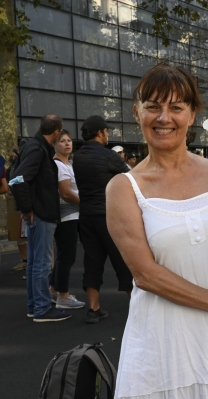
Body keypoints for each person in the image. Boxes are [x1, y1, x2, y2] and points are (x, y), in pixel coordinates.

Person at [106, 64, 208, 399]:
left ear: (192, 114)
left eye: (176, 107)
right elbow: (145, 274)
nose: (163, 117)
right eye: (153, 106)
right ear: (136, 113)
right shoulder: (123, 188)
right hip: (165, 348)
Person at [73, 114, 132, 324]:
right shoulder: (108, 156)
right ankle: (136, 306)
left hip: (86, 215)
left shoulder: (77, 157)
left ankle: (93, 308)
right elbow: (131, 177)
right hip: (109, 215)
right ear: (100, 133)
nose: (108, 135)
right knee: (122, 259)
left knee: (92, 260)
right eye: (107, 131)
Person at [11, 115, 70, 322]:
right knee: (42, 264)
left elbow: (16, 176)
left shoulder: (33, 147)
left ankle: (35, 306)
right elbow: (17, 179)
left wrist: (27, 208)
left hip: (38, 212)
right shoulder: (37, 149)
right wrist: (28, 208)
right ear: (55, 133)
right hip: (41, 213)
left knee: (36, 263)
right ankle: (42, 309)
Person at [49, 130, 85, 310]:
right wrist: (86, 203)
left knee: (65, 255)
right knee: (66, 256)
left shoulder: (68, 164)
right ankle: (63, 296)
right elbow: (65, 193)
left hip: (72, 214)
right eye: (62, 141)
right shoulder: (59, 165)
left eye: (69, 140)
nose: (67, 144)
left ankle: (54, 289)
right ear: (55, 145)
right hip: (66, 215)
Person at [7, 147, 29, 272]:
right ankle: (26, 260)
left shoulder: (23, 166)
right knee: (19, 234)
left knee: (27, 234)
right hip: (16, 203)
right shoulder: (13, 168)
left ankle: (29, 262)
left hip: (23, 203)